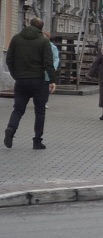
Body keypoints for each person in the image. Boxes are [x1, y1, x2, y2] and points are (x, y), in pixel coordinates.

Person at [4, 18, 58, 149]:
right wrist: (52, 80)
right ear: (41, 28)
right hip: (38, 81)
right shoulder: (43, 41)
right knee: (40, 112)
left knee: (18, 109)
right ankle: (37, 141)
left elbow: (9, 59)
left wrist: (15, 75)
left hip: (21, 81)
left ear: (29, 25)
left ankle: (11, 129)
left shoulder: (16, 38)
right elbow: (48, 63)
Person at [42, 31, 60, 109]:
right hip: (38, 70)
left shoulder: (52, 47)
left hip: (48, 69)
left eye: (44, 37)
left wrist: (54, 67)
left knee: (46, 87)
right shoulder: (38, 45)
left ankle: (44, 102)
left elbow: (56, 58)